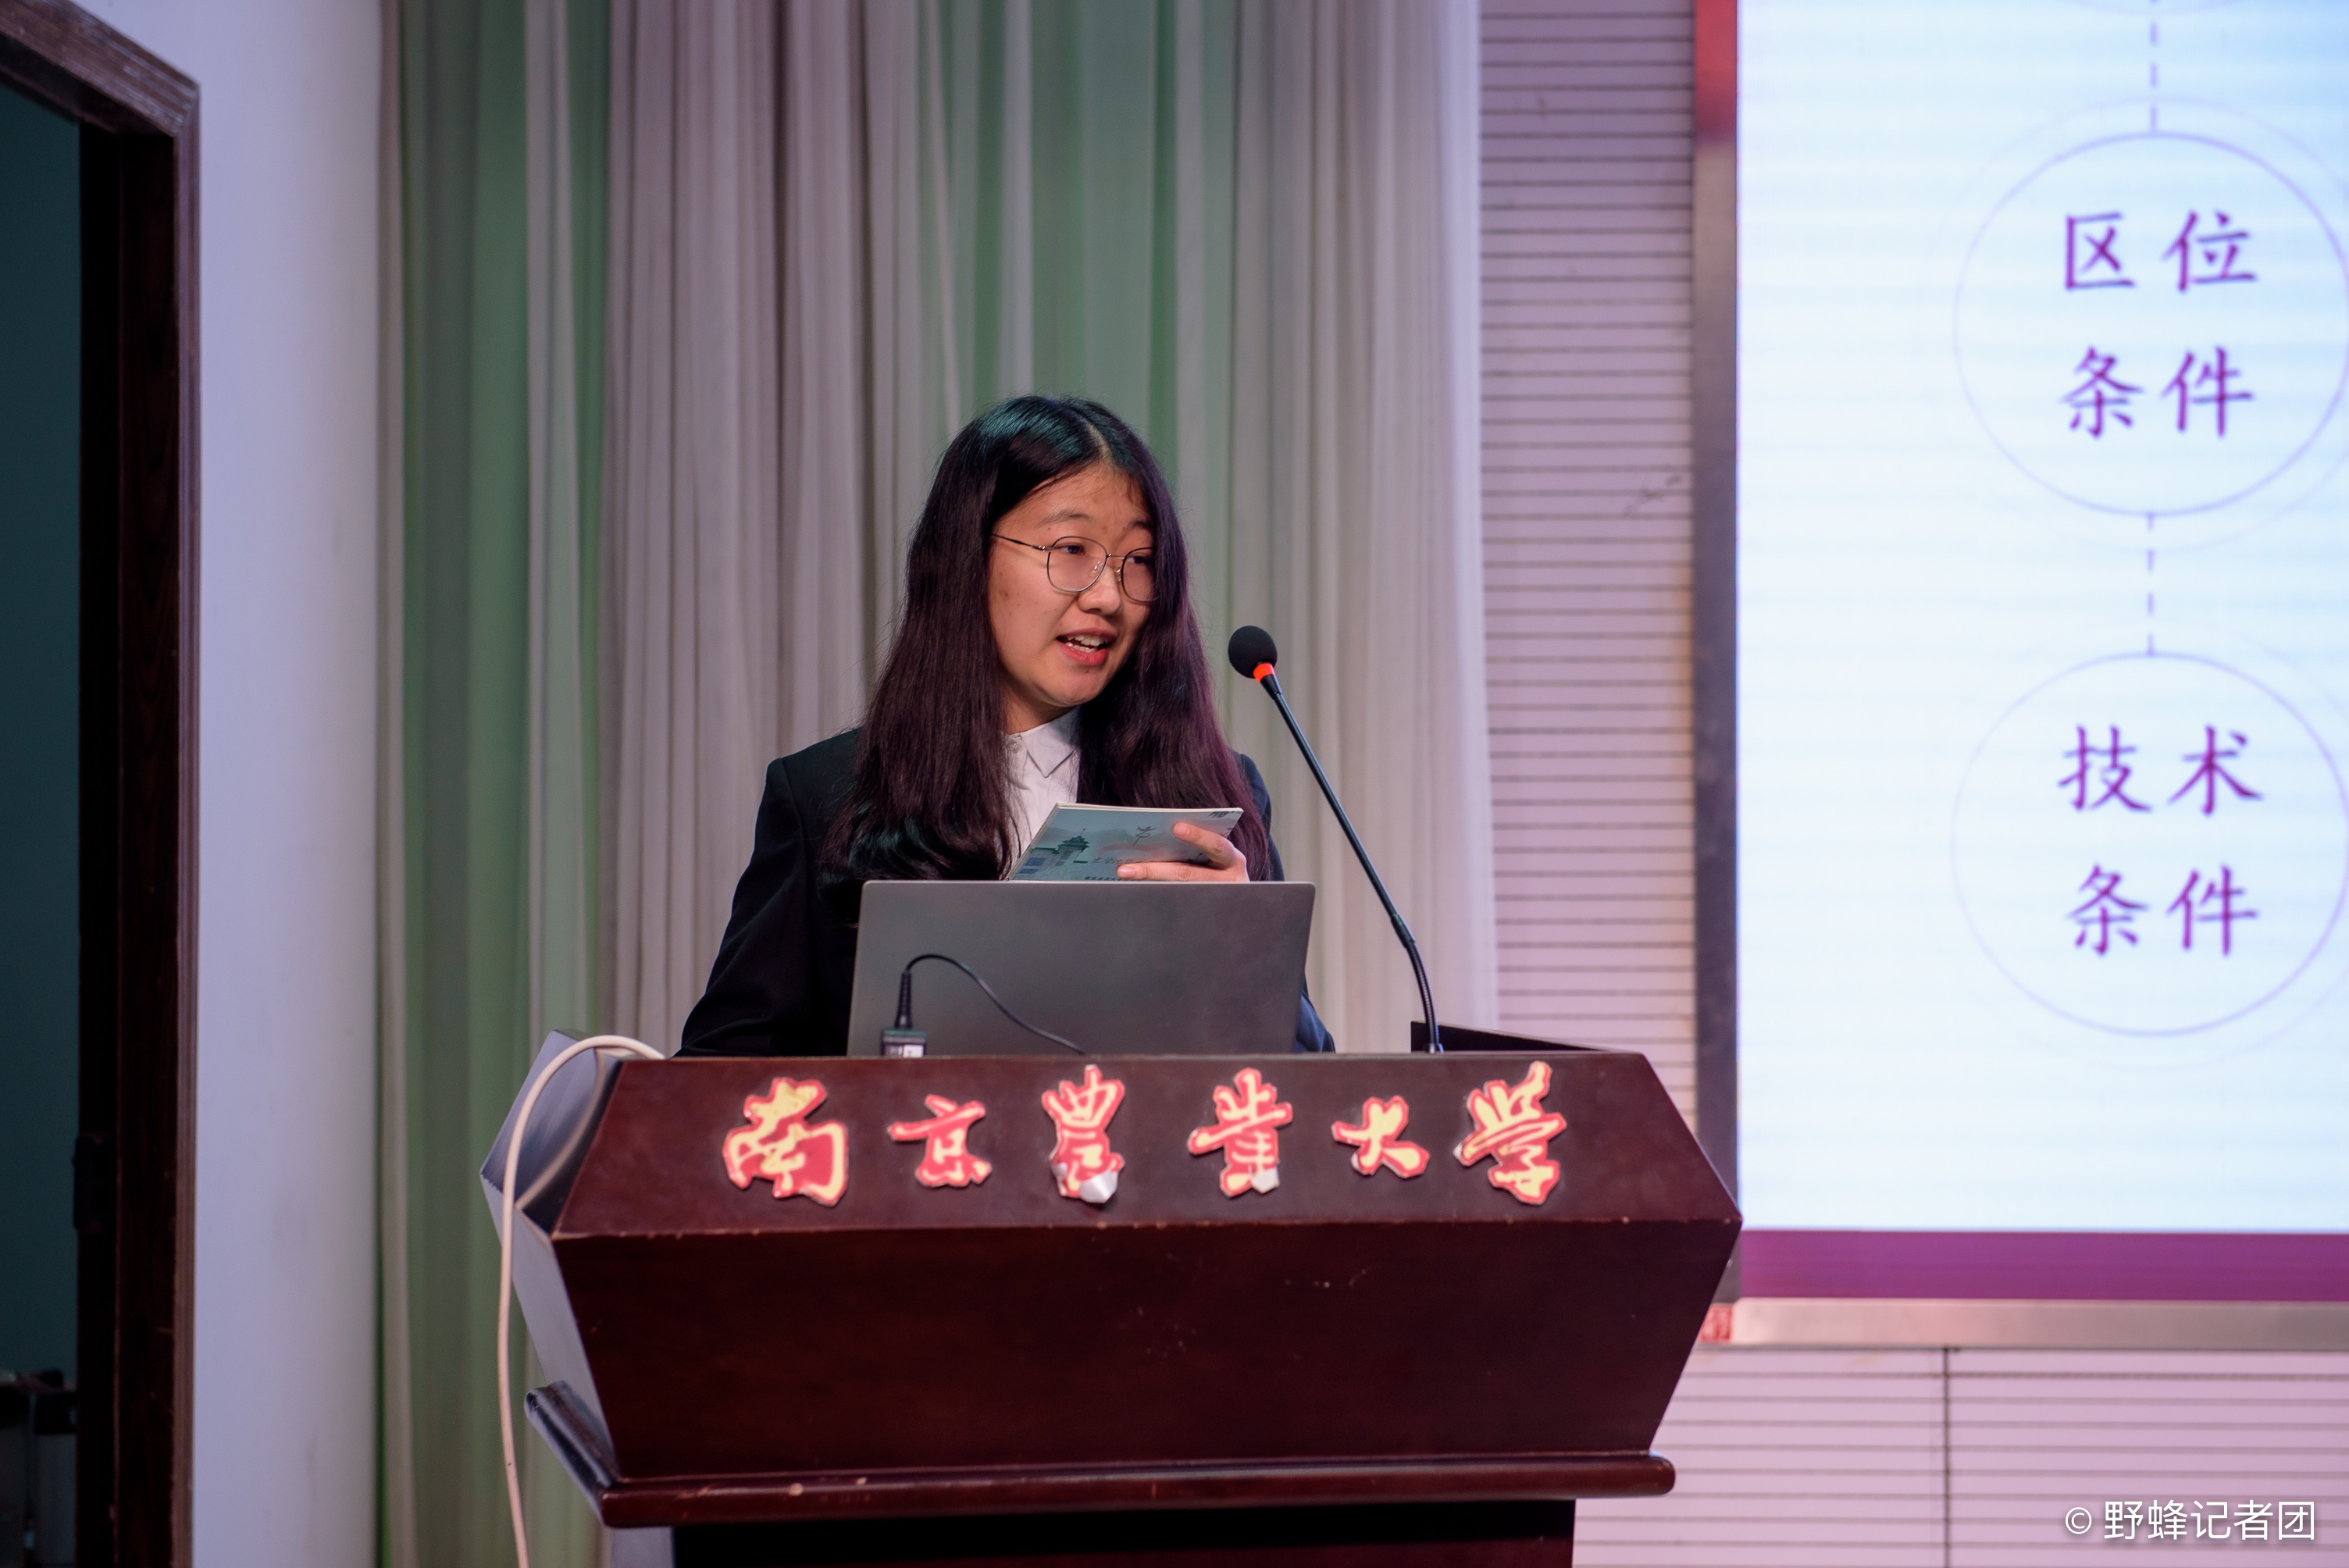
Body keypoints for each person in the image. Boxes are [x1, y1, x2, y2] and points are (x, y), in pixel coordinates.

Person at [678, 395, 1334, 1057]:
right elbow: (715, 1074)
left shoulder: (1209, 796)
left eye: (1138, 560)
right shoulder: (826, 797)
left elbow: (1313, 1078)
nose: (1108, 596)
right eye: (1072, 549)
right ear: (969, 559)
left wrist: (1248, 950)